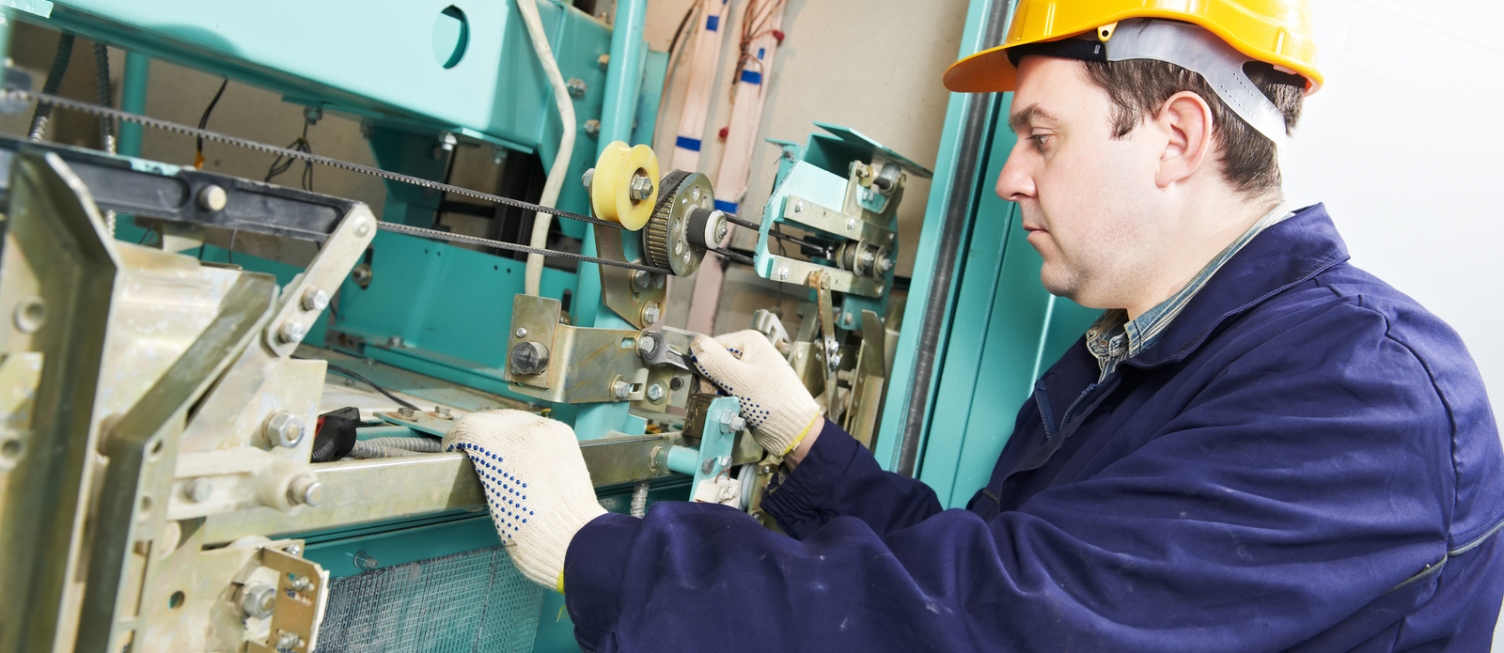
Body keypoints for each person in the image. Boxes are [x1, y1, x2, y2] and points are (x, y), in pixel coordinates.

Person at [443, 1, 1504, 650]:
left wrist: (598, 553)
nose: (1008, 177)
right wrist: (812, 446)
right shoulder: (1139, 354)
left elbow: (997, 627)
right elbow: (1004, 566)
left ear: (1175, 135)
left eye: (1040, 137)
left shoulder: (1365, 394)